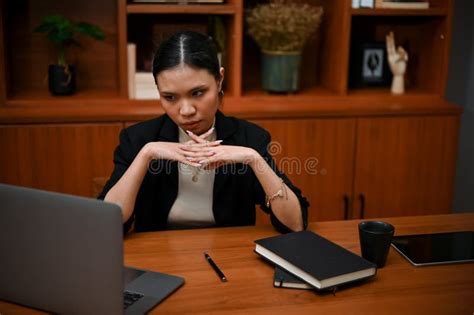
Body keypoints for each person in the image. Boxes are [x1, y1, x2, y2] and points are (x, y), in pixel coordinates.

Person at [99, 30, 309, 234]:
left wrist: (254, 159)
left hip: (228, 255)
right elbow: (109, 224)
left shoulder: (249, 138)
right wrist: (146, 154)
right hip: (159, 256)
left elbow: (295, 224)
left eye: (198, 93)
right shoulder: (139, 139)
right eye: (170, 97)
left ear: (219, 80)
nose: (186, 111)